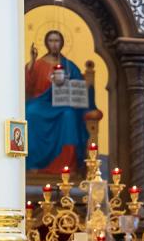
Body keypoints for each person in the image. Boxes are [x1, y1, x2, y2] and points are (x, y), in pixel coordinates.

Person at [25, 30, 93, 173]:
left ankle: (66, 166)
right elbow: (27, 86)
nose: (54, 44)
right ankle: (33, 163)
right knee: (29, 112)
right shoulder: (38, 64)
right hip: (41, 102)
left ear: (62, 43)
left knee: (69, 115)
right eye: (51, 41)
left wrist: (67, 84)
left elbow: (79, 90)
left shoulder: (69, 66)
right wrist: (32, 61)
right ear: (46, 43)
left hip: (62, 104)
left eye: (57, 41)